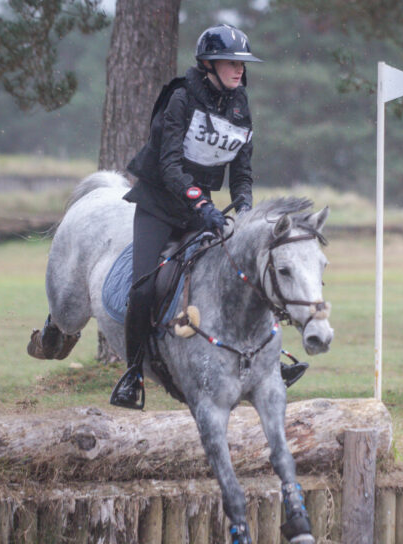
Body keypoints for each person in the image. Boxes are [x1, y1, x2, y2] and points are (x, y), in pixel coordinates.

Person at [110, 24, 305, 409]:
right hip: (159, 204)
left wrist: (245, 207)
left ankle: (268, 361)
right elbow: (168, 165)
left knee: (242, 272)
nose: (239, 70)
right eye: (230, 62)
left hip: (201, 207)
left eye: (242, 63)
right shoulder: (181, 98)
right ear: (207, 64)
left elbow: (242, 169)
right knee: (145, 287)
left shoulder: (239, 103)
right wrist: (202, 204)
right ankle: (133, 374)